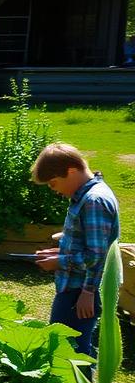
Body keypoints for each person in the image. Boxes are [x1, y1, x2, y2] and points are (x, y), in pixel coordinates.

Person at [32, 143, 121, 359]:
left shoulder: (94, 201)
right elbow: (91, 239)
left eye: (54, 184)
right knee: (72, 346)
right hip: (75, 288)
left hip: (80, 291)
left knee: (72, 351)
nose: (55, 191)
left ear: (71, 171)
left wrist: (86, 291)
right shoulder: (86, 195)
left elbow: (96, 255)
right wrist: (64, 242)